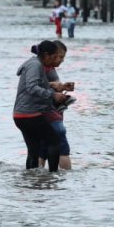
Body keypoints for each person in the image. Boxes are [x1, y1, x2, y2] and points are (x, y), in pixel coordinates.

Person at [13, 40, 69, 172]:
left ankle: (31, 176)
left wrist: (56, 88)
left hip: (21, 115)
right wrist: (52, 95)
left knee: (33, 149)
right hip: (29, 114)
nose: (56, 61)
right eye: (55, 57)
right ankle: (53, 175)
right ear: (46, 55)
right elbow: (31, 87)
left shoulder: (36, 64)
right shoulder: (35, 65)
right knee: (54, 140)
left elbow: (37, 85)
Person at [38, 40, 75, 170]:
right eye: (60, 56)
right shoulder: (43, 68)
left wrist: (62, 88)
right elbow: (37, 87)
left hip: (41, 116)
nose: (62, 60)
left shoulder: (43, 67)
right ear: (52, 54)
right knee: (63, 149)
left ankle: (35, 178)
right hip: (52, 116)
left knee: (41, 150)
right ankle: (66, 180)